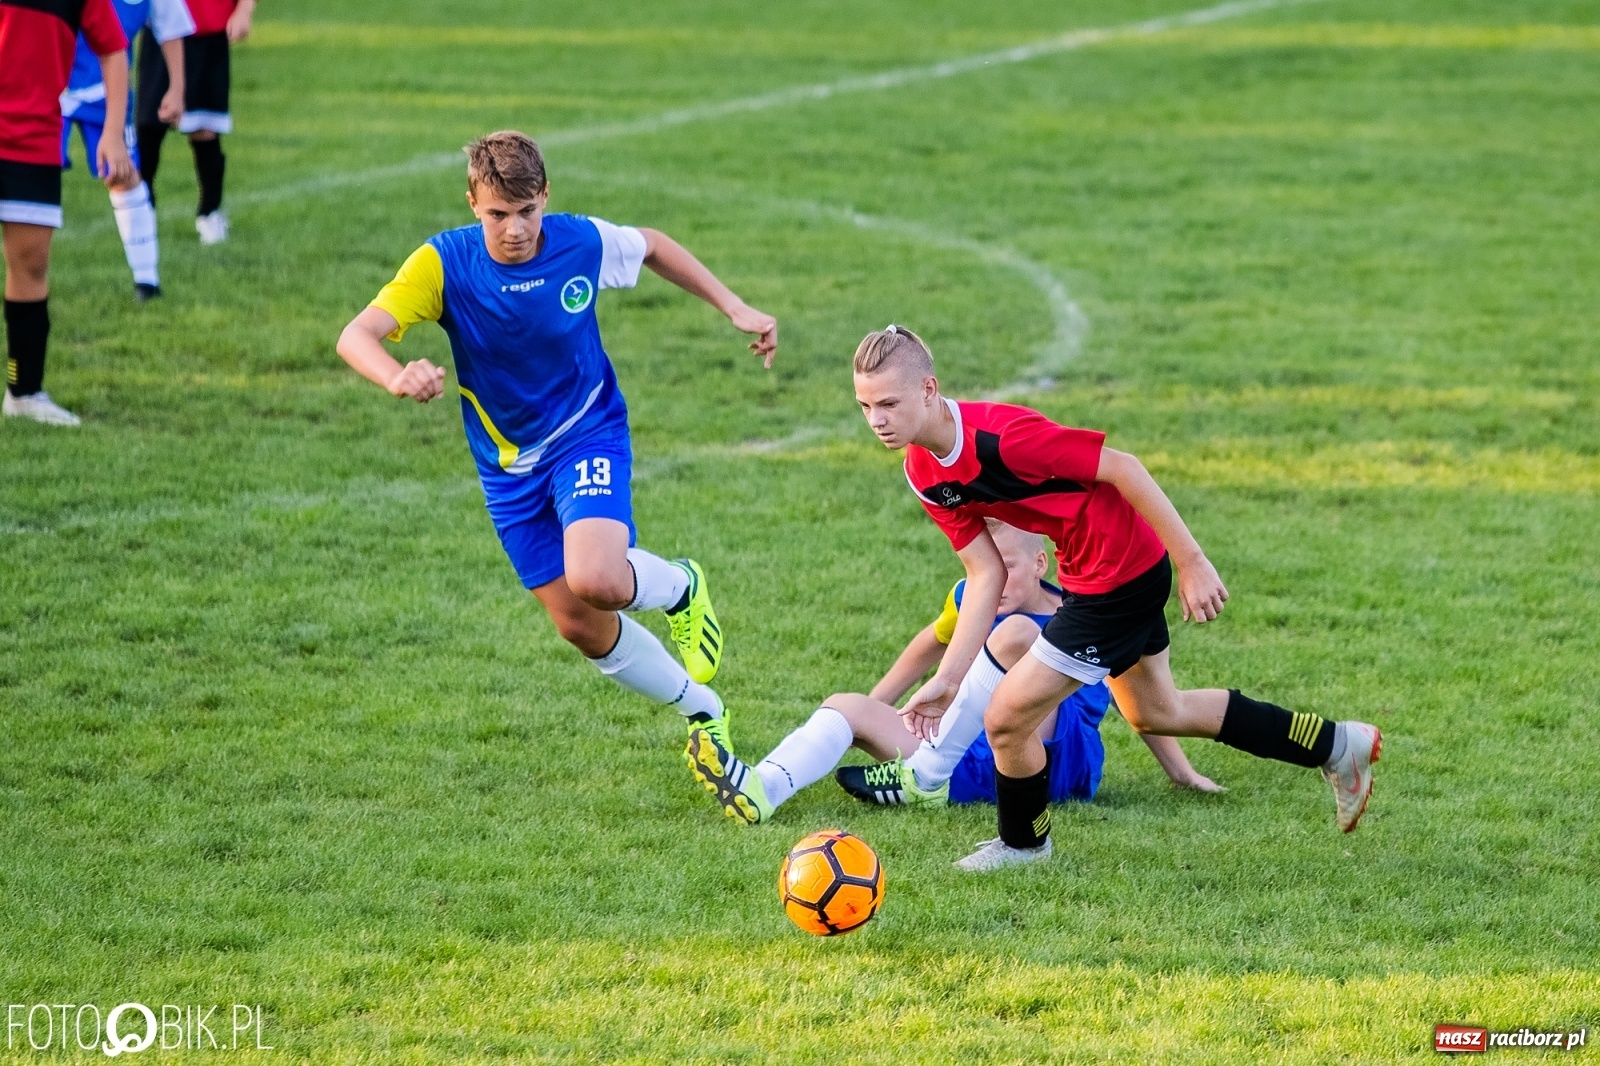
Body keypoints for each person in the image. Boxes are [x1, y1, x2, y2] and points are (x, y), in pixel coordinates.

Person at [848, 325, 1382, 871]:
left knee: (1007, 717)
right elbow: (985, 574)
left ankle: (1023, 846)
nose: (877, 421)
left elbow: (1123, 467)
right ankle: (1338, 745)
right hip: (1091, 570)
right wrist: (948, 677)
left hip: (1119, 574)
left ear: (930, 390)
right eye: (865, 405)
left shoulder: (1004, 438)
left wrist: (1193, 561)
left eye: (889, 403)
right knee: (1157, 711)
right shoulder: (924, 472)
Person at [336, 131, 778, 775]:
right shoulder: (442, 265)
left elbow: (651, 244)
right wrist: (394, 374)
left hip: (585, 431)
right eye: (496, 214)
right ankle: (704, 709)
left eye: (526, 211)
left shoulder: (579, 242)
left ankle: (681, 586)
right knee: (579, 625)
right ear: (471, 203)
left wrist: (734, 306)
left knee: (596, 577)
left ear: (545, 198)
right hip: (507, 468)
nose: (513, 229)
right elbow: (357, 334)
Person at [686, 520, 1220, 823]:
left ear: (1040, 564)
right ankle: (762, 790)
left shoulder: (1080, 615)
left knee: (1017, 640)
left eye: (1009, 566)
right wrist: (872, 715)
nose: (997, 580)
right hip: (967, 752)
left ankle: (927, 775)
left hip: (1056, 762)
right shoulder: (971, 598)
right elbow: (928, 643)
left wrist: (1180, 771)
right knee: (843, 704)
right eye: (988, 569)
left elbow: (1139, 697)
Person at [1, 0, 134, 426]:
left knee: (31, 263)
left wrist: (113, 134)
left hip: (35, 140)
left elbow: (113, 49)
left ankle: (24, 393)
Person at [62, 0, 193, 301]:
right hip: (46, 86)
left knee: (122, 174)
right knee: (28, 174)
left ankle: (147, 281)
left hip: (108, 92)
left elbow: (170, 26)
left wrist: (177, 87)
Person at [135, 0, 254, 244]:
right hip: (162, 27)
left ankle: (210, 212)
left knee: (206, 127)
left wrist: (244, 9)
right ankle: (140, 214)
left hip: (208, 29)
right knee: (150, 126)